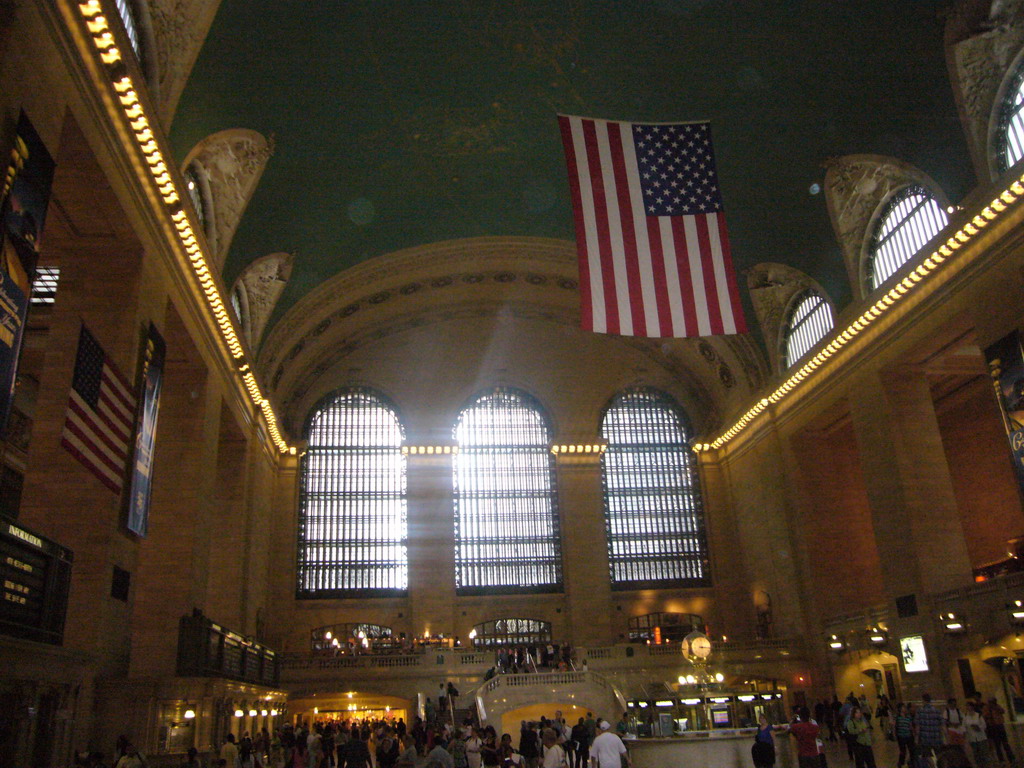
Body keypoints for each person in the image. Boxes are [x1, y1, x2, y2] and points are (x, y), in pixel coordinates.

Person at [915, 693, 944, 766]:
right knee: (939, 754)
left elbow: (917, 726)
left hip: (925, 738)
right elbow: (942, 724)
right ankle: (940, 765)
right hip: (936, 737)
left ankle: (933, 765)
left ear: (923, 700)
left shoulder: (920, 711)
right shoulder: (937, 711)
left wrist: (916, 738)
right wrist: (945, 736)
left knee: (927, 755)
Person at [964, 701, 992, 768]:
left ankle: (986, 765)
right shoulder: (965, 716)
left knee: (984, 752)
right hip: (972, 738)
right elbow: (964, 727)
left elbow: (984, 725)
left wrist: (978, 727)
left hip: (981, 737)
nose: (968, 707)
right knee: (976, 754)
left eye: (969, 706)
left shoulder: (978, 715)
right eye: (967, 706)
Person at [893, 702, 914, 768]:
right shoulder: (897, 717)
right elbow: (894, 726)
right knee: (903, 751)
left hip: (909, 736)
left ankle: (912, 762)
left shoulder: (908, 716)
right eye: (903, 707)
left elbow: (910, 726)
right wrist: (894, 735)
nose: (905, 708)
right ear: (900, 709)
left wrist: (913, 732)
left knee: (911, 749)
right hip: (901, 737)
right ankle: (901, 762)